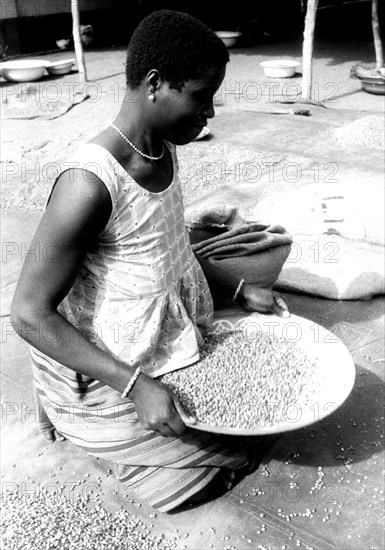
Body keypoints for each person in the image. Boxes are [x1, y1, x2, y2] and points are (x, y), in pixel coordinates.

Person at [11, 9, 291, 512]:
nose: (209, 115)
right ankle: (90, 428)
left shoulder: (162, 148)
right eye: (201, 97)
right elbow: (29, 314)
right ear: (156, 84)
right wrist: (135, 385)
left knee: (265, 420)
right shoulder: (88, 183)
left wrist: (238, 291)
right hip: (101, 372)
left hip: (155, 341)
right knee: (217, 467)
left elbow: (169, 250)